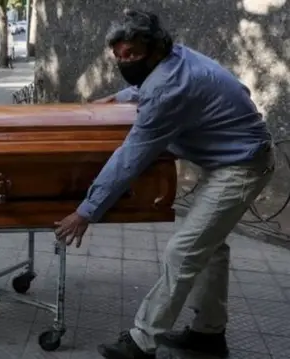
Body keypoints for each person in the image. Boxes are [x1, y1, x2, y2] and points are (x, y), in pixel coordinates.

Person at [54, 9, 275, 359]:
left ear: (156, 49)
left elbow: (132, 156)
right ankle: (208, 334)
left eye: (132, 55)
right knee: (210, 248)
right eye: (119, 56)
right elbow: (150, 85)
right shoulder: (174, 60)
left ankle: (142, 341)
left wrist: (86, 211)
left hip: (242, 165)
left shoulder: (169, 87)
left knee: (183, 250)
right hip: (231, 160)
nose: (124, 62)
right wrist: (121, 97)